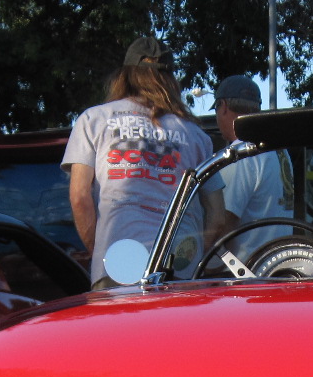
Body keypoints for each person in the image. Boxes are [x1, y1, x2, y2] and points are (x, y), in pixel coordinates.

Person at [64, 36, 224, 285]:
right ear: (170, 80)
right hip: (178, 269)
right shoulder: (196, 135)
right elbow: (217, 212)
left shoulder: (93, 120)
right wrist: (192, 255)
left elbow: (79, 196)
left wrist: (100, 250)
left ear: (125, 75)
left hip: (117, 264)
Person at [211, 75, 295, 262]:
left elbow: (222, 222)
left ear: (223, 106)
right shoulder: (278, 150)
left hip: (245, 275)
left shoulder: (239, 154)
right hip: (276, 268)